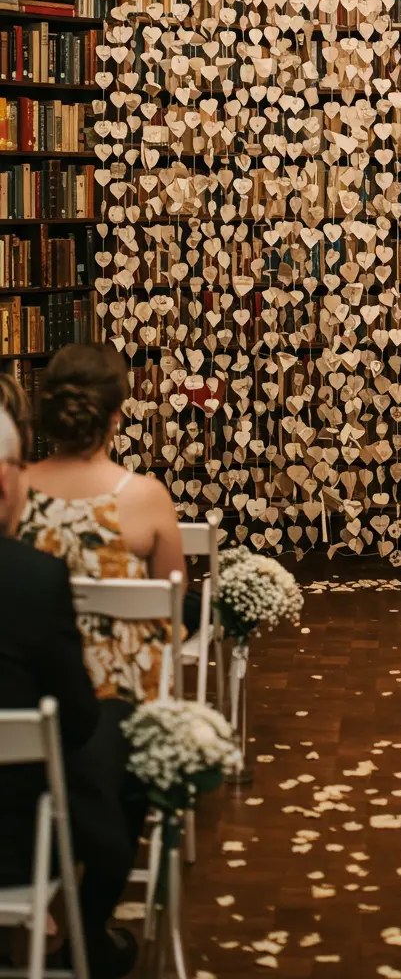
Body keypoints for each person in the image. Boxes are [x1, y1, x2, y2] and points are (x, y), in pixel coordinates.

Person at [0, 404, 137, 978]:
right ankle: (89, 931)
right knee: (116, 735)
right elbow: (77, 720)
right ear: (5, 481)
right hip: (13, 848)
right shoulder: (33, 580)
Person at [18, 341, 186, 704]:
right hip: (128, 694)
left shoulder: (14, 490)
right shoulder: (146, 497)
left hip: (34, 688)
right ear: (116, 415)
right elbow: (171, 603)